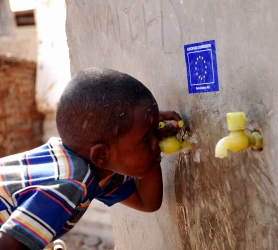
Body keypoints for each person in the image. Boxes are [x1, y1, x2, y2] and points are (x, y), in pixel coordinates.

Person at [0, 68, 182, 250]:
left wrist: (153, 142)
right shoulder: (70, 182)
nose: (156, 142)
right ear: (101, 154)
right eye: (146, 139)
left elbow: (147, 202)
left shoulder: (93, 170)